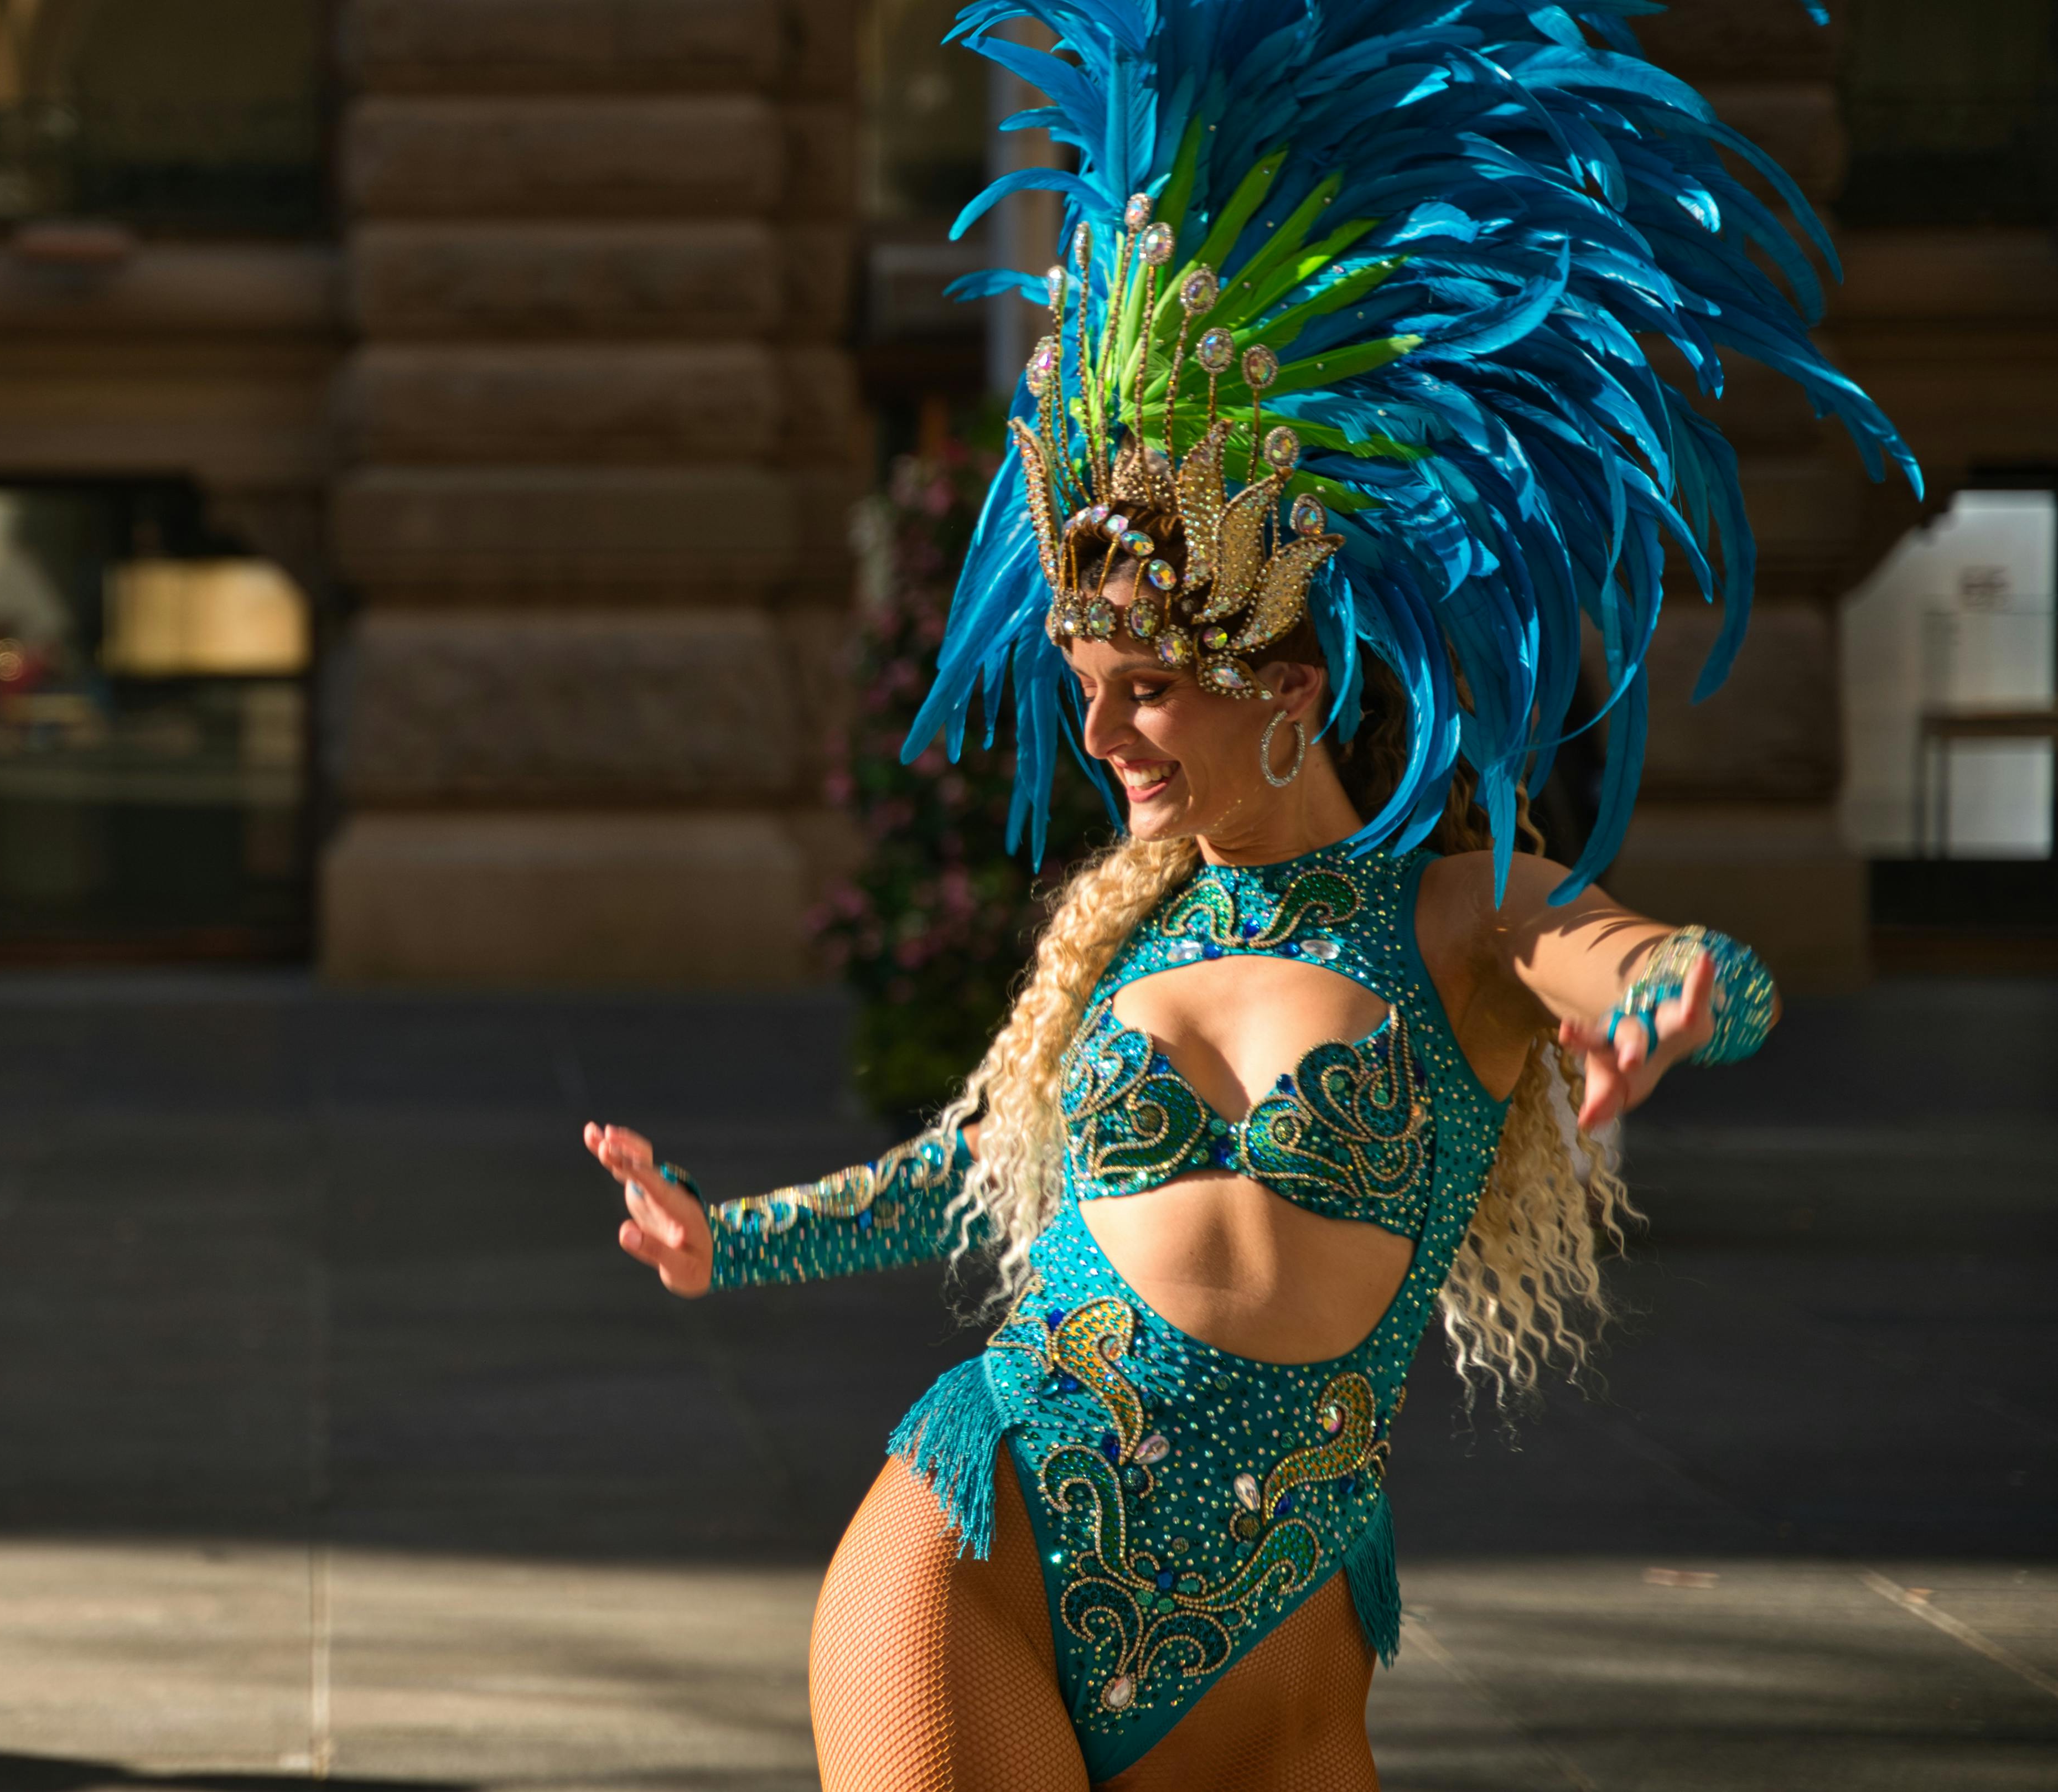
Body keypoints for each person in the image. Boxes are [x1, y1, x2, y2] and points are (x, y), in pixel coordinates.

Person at [587, 3, 1914, 1786]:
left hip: (1275, 1626)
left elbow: (1656, 960)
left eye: (1145, 688)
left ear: (1286, 690)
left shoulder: (1459, 917)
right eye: (1084, 685)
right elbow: (966, 1169)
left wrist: (1674, 998)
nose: (1100, 735)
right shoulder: (1118, 933)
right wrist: (723, 1239)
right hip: (976, 1534)